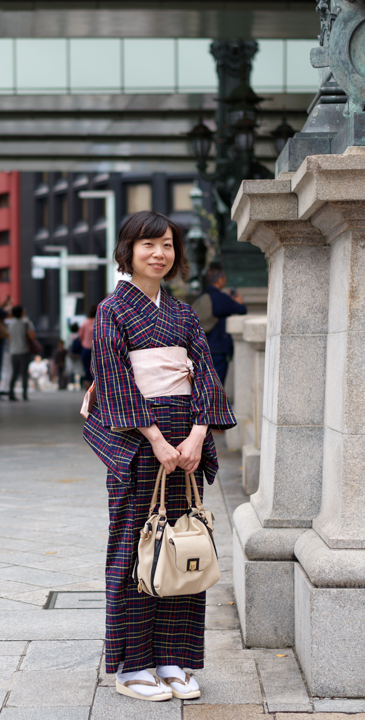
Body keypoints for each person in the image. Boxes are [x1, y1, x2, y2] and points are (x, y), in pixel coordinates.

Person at [83, 210, 235, 703]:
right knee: (136, 545)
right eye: (148, 244)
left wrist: (195, 438)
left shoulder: (184, 314)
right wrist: (155, 439)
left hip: (184, 447)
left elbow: (206, 377)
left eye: (167, 244)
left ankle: (174, 658)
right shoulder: (113, 310)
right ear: (127, 251)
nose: (158, 253)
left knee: (184, 544)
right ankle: (133, 664)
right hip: (138, 443)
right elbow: (113, 378)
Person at [193, 265, 247, 384]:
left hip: (201, 348)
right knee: (216, 387)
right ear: (220, 280)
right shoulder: (221, 298)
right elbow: (242, 309)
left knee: (203, 386)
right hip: (217, 350)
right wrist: (237, 301)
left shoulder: (201, 297)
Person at [7, 305, 36, 401]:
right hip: (24, 351)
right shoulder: (26, 323)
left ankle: (11, 392)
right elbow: (32, 336)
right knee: (24, 373)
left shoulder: (11, 324)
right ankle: (24, 394)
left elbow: (10, 338)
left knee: (14, 373)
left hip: (14, 351)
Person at [79, 304, 97, 384]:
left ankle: (87, 383)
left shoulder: (85, 323)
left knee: (86, 367)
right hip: (96, 347)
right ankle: (95, 383)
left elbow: (80, 335)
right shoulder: (99, 321)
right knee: (96, 367)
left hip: (85, 347)